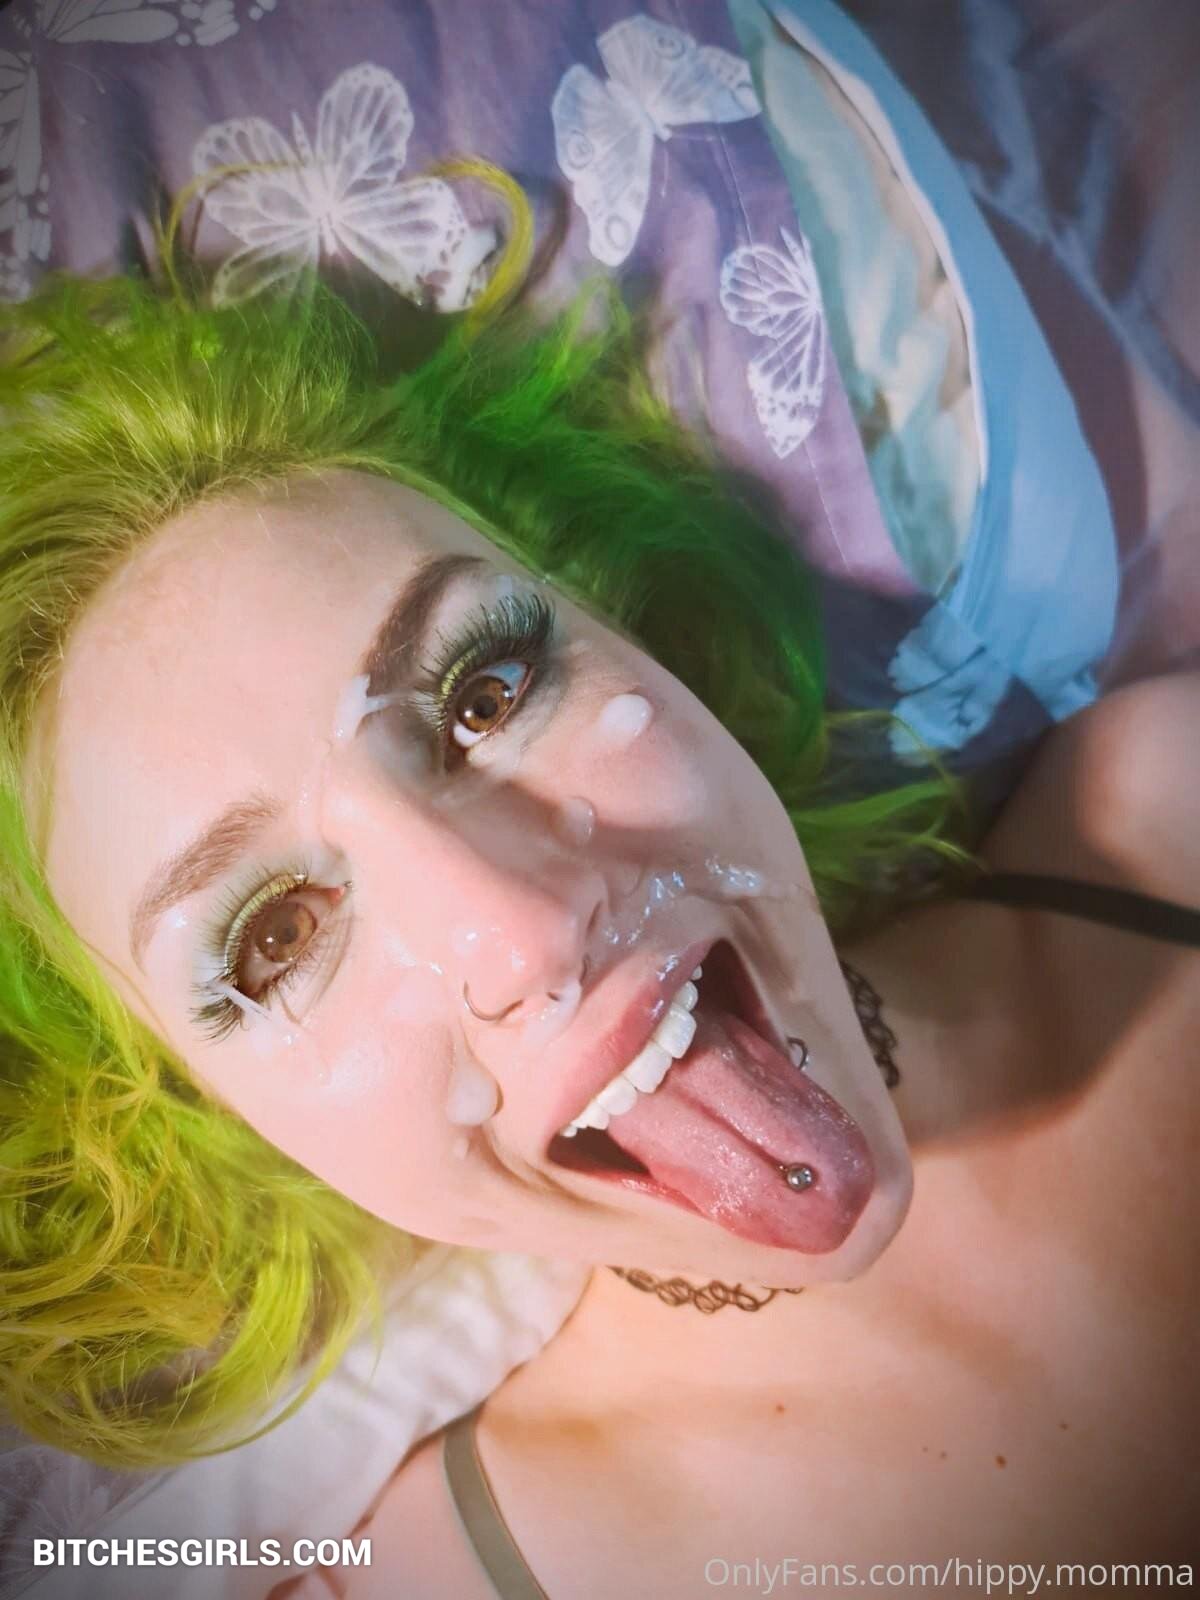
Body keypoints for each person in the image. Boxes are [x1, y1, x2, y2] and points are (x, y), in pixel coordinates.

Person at [0, 171, 1196, 1600]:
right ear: (217, 1118)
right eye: (275, 940)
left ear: (633, 635)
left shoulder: (1172, 806)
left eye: (487, 691)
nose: (522, 934)